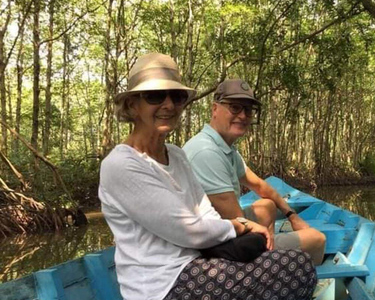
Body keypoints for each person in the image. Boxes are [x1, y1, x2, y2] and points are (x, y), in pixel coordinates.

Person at [98, 54, 317, 300]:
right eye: (155, 96)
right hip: (162, 287)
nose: (169, 105)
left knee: (292, 264)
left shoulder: (177, 156)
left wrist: (252, 225)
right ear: (132, 105)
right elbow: (188, 230)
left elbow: (205, 212)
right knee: (296, 267)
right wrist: (241, 225)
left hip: (198, 263)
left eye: (177, 97)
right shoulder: (121, 165)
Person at [183, 79, 326, 265]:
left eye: (248, 110)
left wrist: (292, 216)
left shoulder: (224, 148)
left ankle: (268, 260)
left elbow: (260, 186)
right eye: (235, 107)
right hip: (215, 247)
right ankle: (279, 271)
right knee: (316, 239)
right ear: (214, 109)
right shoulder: (206, 152)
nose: (243, 115)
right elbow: (239, 221)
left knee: (267, 205)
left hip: (225, 230)